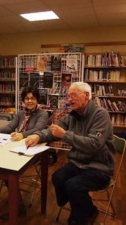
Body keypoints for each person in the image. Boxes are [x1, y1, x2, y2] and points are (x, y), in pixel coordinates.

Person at [25, 82, 115, 225]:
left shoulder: (100, 114)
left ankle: (80, 216)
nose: (69, 99)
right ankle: (86, 209)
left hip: (99, 167)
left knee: (73, 186)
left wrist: (65, 135)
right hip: (78, 163)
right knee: (57, 177)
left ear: (86, 96)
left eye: (73, 95)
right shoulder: (72, 115)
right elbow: (54, 130)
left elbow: (93, 145)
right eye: (68, 96)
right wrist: (38, 136)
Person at [0, 86, 49, 220]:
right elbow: (10, 127)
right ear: (23, 100)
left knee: (6, 170)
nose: (30, 101)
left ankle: (16, 208)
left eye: (33, 98)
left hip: (33, 150)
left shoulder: (43, 114)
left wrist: (21, 135)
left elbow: (37, 129)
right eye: (27, 98)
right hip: (16, 147)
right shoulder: (20, 113)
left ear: (37, 100)